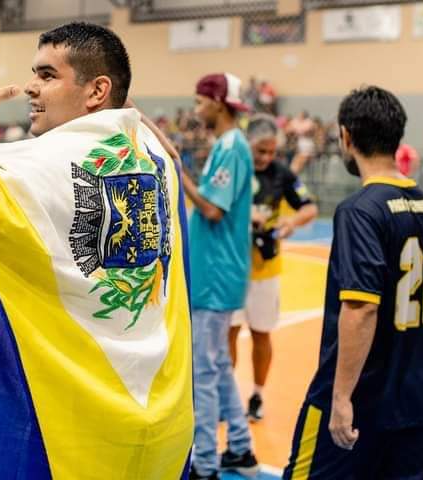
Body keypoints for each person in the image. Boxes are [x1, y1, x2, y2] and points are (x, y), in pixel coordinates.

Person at [0, 22, 193, 479]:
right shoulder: (156, 156)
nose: (31, 85)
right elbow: (124, 110)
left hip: (74, 440)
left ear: (95, 91)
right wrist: (119, 100)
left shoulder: (34, 166)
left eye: (47, 75)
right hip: (163, 431)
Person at [284, 86, 423, 479]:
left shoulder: (360, 210)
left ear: (346, 136)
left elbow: (361, 306)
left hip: (361, 399)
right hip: (416, 399)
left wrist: (341, 396)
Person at [181, 72, 259, 480]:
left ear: (218, 102)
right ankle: (242, 450)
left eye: (200, 101)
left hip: (217, 273)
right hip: (219, 270)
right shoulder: (228, 146)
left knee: (205, 372)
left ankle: (205, 463)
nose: (196, 109)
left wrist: (179, 173)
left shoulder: (231, 147)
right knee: (219, 365)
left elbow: (212, 208)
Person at [229, 114, 317, 422]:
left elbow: (309, 207)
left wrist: (291, 221)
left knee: (261, 334)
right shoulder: (234, 169)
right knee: (229, 334)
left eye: (271, 152)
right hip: (232, 267)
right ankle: (229, 396)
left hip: (265, 270)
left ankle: (257, 394)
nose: (266, 158)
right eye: (260, 152)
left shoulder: (282, 174)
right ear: (247, 145)